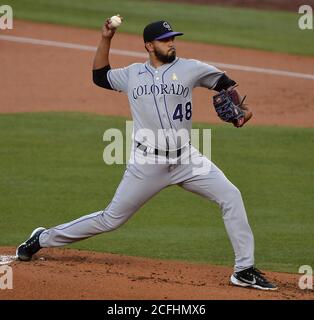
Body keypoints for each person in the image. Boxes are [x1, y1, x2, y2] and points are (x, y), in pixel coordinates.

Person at [16, 19, 277, 291]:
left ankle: (244, 269)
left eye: (173, 38)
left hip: (186, 158)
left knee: (230, 196)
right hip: (147, 163)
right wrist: (106, 38)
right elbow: (99, 75)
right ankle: (42, 238)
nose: (171, 43)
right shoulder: (132, 74)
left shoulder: (191, 68)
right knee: (110, 219)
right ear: (149, 45)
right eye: (165, 40)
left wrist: (243, 111)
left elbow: (225, 84)